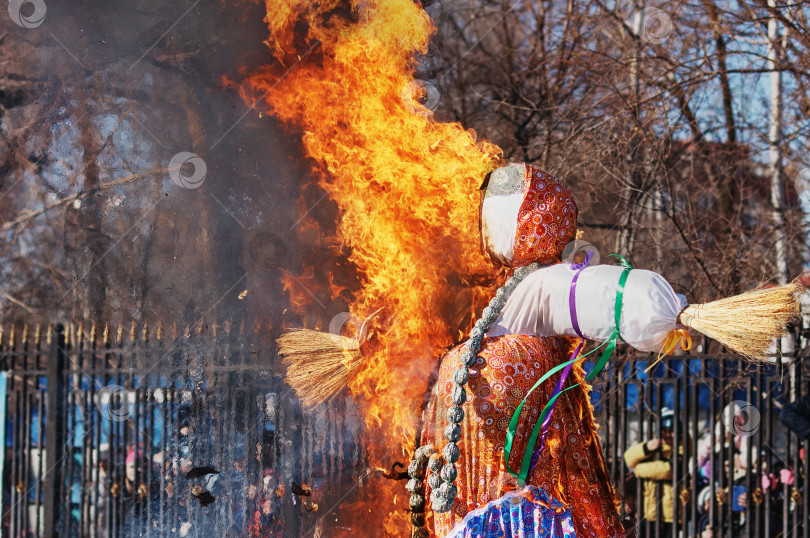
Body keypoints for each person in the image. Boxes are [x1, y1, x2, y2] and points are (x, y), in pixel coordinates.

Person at [418, 163, 624, 537]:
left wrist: (678, 313)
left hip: (494, 507)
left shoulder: (534, 289)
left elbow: (605, 296)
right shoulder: (513, 296)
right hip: (482, 500)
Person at [623, 407, 678, 532]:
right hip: (646, 512)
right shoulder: (651, 447)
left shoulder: (681, 446)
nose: (668, 435)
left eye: (671, 431)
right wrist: (647, 447)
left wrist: (638, 470)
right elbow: (628, 458)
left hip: (669, 514)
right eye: (664, 430)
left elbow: (669, 470)